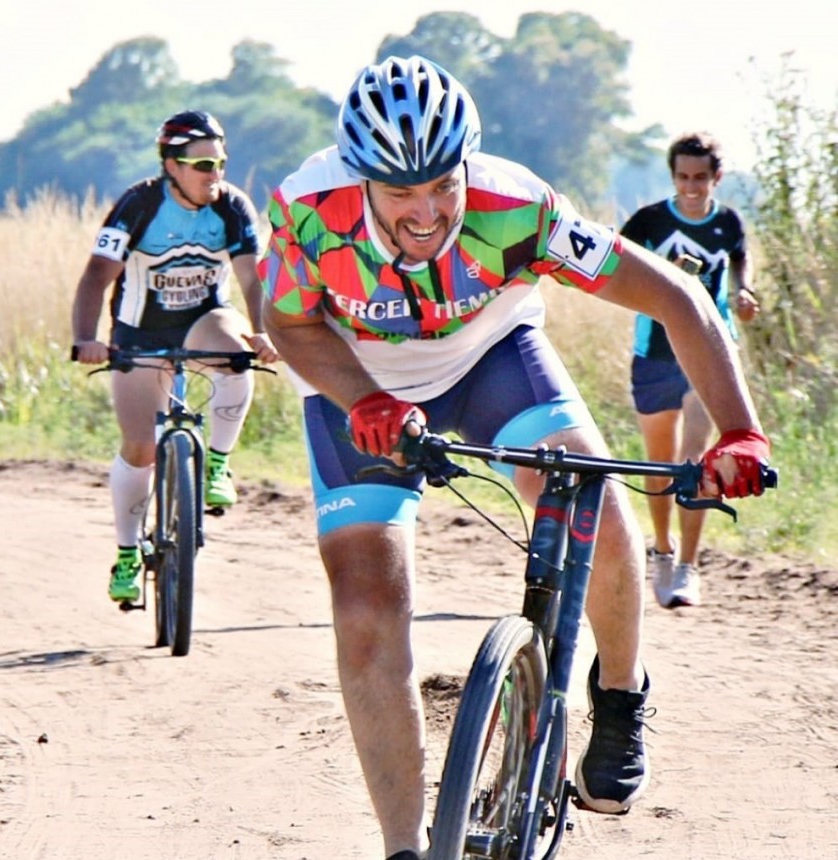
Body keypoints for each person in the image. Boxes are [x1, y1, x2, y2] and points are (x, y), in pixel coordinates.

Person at [261, 56, 770, 860]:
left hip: (493, 356)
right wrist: (365, 399)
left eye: (442, 185)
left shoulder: (516, 206)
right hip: (358, 387)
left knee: (594, 505)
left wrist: (741, 431)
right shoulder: (308, 210)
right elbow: (287, 325)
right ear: (361, 179)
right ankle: (406, 848)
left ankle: (619, 693)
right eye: (400, 193)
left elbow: (676, 296)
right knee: (365, 604)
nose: (426, 212)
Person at [72, 109, 278, 603]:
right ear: (172, 165)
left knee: (235, 356)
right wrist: (85, 338)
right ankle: (126, 552)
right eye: (203, 165)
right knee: (140, 447)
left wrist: (263, 331)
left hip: (203, 318)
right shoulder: (138, 205)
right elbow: (96, 276)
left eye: (220, 163)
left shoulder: (231, 206)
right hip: (139, 333)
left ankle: (217, 466)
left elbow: (250, 277)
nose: (216, 174)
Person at [620, 131, 760, 609]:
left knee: (697, 458)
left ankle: (689, 567)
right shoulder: (650, 221)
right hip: (655, 353)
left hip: (709, 352)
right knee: (660, 465)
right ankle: (662, 548)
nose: (692, 187)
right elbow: (616, 270)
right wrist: (664, 269)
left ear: (716, 178)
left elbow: (742, 266)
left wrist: (745, 295)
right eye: (683, 177)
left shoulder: (728, 223)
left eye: (701, 178)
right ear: (673, 176)